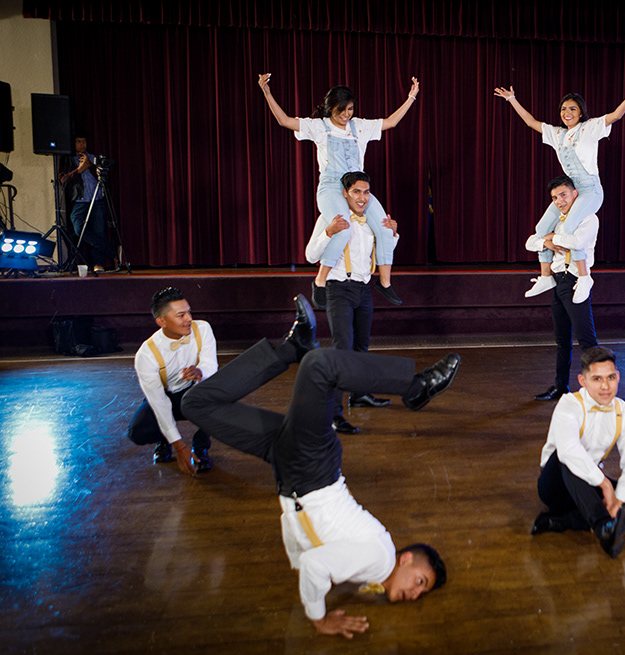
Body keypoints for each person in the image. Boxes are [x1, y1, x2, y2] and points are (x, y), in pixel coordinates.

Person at [181, 295, 460, 637]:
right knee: (320, 365)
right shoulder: (380, 558)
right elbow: (317, 564)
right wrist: (319, 618)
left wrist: (298, 562)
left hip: (291, 469)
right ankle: (415, 387)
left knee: (196, 404)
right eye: (420, 581)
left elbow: (303, 537)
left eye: (421, 592)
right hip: (311, 467)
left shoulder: (371, 573)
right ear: (406, 559)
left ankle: (292, 347)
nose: (415, 593)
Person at [258, 73, 419, 306]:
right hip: (332, 187)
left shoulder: (359, 127)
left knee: (386, 229)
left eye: (350, 109)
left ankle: (384, 283)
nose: (346, 115)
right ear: (330, 109)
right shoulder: (319, 126)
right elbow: (284, 120)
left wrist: (411, 97)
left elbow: (391, 122)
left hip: (357, 188)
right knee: (343, 228)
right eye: (340, 110)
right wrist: (267, 92)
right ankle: (320, 281)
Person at [494, 80, 625, 303]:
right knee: (541, 228)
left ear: (580, 112)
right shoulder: (557, 134)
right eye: (563, 109)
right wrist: (512, 99)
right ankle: (545, 276)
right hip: (569, 191)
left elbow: (616, 115)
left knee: (569, 227)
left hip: (590, 190)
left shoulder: (590, 128)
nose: (567, 113)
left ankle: (584, 278)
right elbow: (531, 122)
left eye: (572, 108)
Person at [531, 347, 625, 558]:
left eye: (610, 377)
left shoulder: (624, 412)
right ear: (583, 381)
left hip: (588, 484)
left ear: (618, 377)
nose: (605, 386)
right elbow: (568, 451)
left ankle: (562, 521)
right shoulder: (569, 404)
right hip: (556, 484)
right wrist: (605, 485)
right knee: (568, 457)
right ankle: (602, 527)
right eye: (597, 379)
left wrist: (618, 500)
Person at [305, 171, 398, 433]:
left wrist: (392, 234)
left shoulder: (371, 220)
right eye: (356, 191)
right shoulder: (330, 217)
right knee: (342, 351)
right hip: (339, 289)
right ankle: (334, 413)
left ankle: (359, 395)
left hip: (363, 289)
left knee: (361, 347)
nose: (362, 198)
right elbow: (310, 255)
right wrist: (328, 232)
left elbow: (382, 252)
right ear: (345, 193)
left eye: (366, 192)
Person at [128, 287, 217, 475]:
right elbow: (159, 401)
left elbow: (211, 365)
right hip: (166, 394)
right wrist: (178, 445)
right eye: (181, 315)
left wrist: (200, 371)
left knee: (222, 396)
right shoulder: (146, 354)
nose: (189, 319)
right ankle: (164, 439)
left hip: (193, 391)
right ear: (162, 321)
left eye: (189, 312)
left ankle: (200, 446)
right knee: (138, 432)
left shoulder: (202, 329)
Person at [526, 176, 599, 402]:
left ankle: (597, 391)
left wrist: (551, 238)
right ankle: (560, 387)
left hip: (575, 281)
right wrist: (546, 241)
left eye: (563, 195)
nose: (559, 201)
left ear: (575, 194)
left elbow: (576, 242)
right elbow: (530, 242)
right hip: (558, 281)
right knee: (562, 341)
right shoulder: (557, 221)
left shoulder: (588, 218)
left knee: (587, 341)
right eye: (555, 198)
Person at [58, 134, 117, 271]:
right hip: (80, 200)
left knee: (99, 230)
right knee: (79, 228)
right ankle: (112, 253)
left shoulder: (93, 158)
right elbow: (63, 181)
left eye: (84, 141)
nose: (82, 144)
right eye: (78, 141)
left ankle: (98, 264)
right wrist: (79, 169)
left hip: (97, 199)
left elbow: (104, 177)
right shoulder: (67, 160)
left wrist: (90, 165)